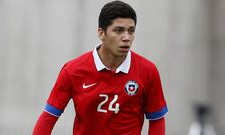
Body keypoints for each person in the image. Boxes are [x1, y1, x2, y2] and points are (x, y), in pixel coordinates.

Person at [33, 1, 168, 135]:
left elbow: (157, 119)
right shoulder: (73, 70)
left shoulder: (148, 71)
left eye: (131, 31)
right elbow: (48, 117)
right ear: (101, 33)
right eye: (119, 30)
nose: (127, 37)